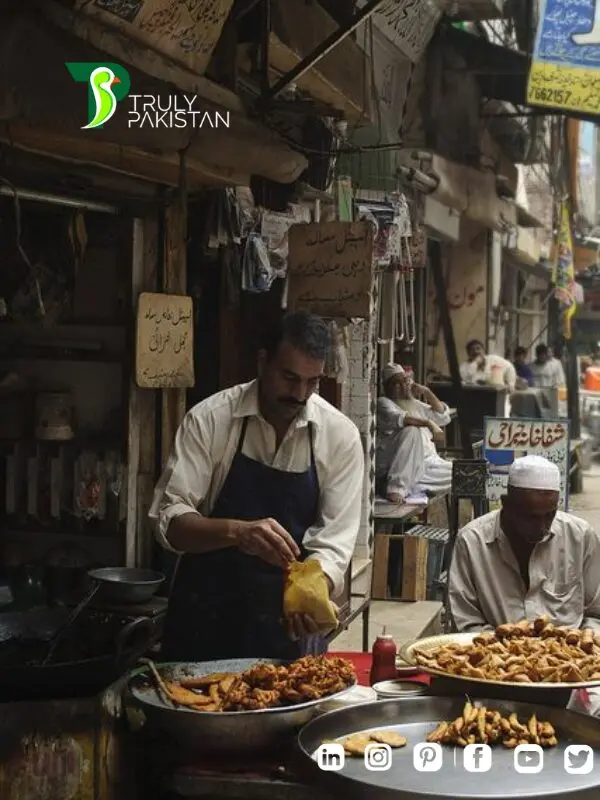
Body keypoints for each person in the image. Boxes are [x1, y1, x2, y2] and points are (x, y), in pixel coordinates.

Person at [149, 310, 364, 662]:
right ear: (263, 362)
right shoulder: (210, 420)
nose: (299, 394)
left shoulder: (339, 437)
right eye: (289, 378)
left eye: (312, 382)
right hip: (204, 625)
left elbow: (335, 541)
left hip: (288, 632)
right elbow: (169, 522)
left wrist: (315, 589)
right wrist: (237, 532)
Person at [448, 454, 600, 634]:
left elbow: (595, 612)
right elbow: (465, 619)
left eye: (550, 515)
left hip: (571, 655)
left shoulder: (580, 536)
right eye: (531, 517)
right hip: (494, 655)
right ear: (506, 504)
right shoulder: (472, 541)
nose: (542, 527)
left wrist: (581, 643)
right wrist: (504, 649)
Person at [376, 363, 452, 504]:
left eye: (403, 381)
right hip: (396, 467)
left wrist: (426, 392)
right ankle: (396, 488)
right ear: (387, 387)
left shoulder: (413, 403)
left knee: (462, 475)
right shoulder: (383, 402)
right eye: (396, 383)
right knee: (411, 430)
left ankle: (414, 486)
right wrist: (429, 424)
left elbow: (442, 416)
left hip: (427, 466)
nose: (401, 386)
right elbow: (401, 419)